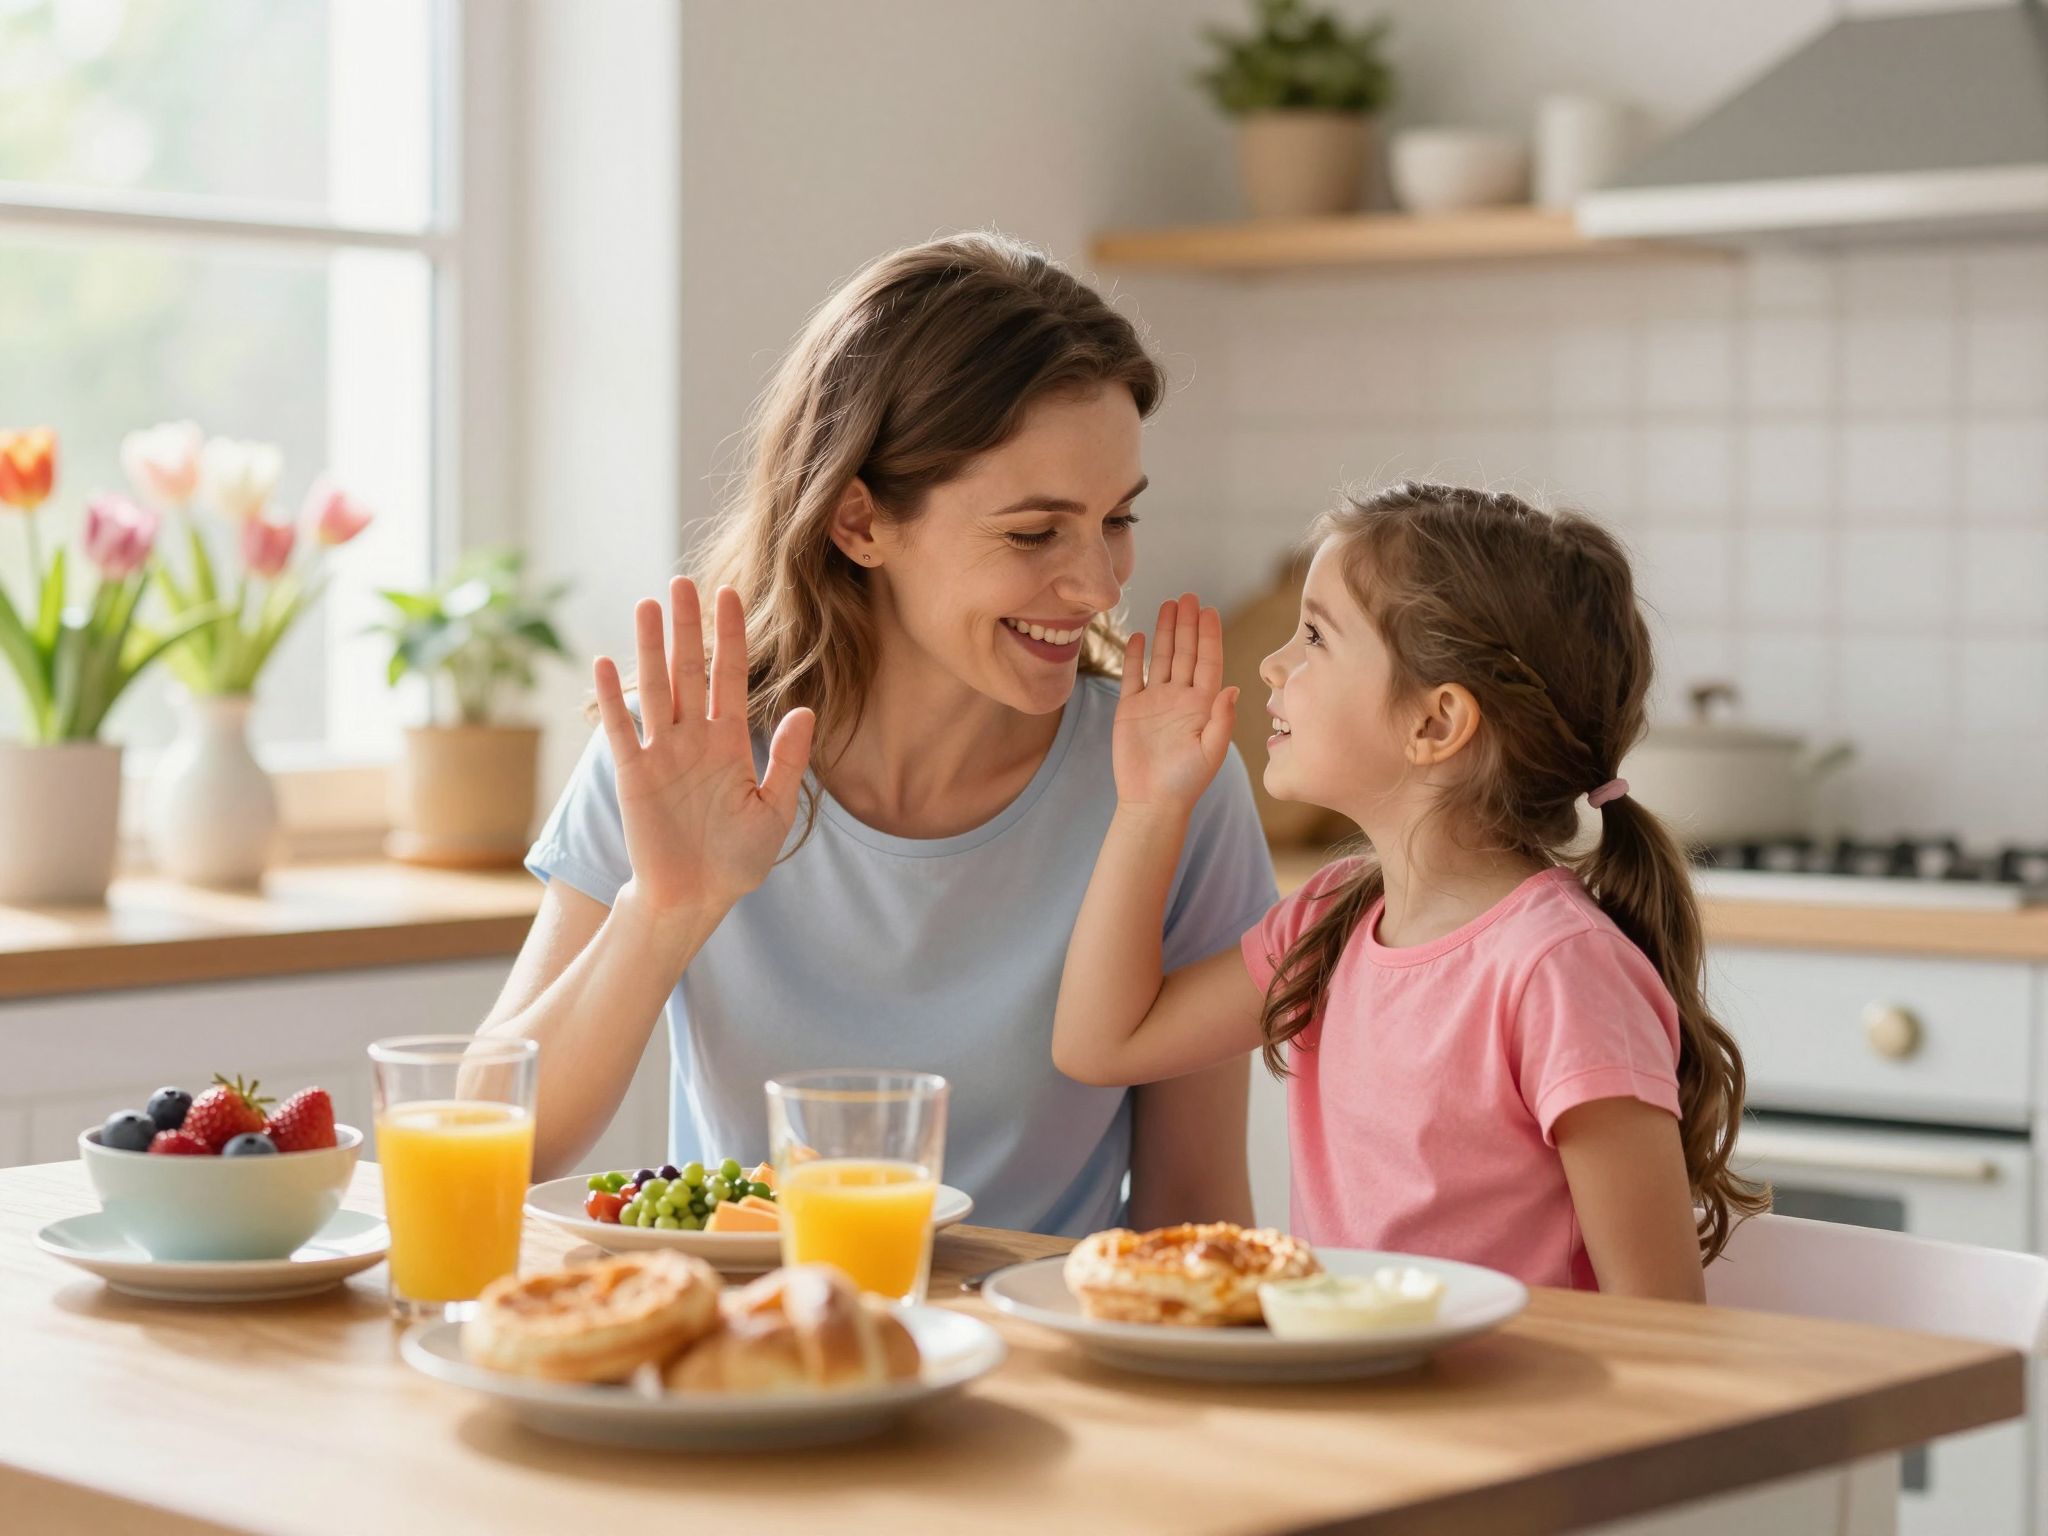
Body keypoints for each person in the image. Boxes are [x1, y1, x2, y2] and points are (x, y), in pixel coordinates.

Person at [481, 233, 1276, 1236]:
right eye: (1033, 532)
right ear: (859, 523)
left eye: (1116, 519)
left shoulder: (1169, 783)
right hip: (756, 1348)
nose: (1099, 582)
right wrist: (664, 910)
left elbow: (1196, 1211)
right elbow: (493, 1139)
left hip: (1046, 1363)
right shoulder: (683, 756)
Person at [1052, 481, 1766, 1296]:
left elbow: (1661, 1322)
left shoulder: (1558, 973)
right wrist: (1149, 806)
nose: (1274, 663)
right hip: (1359, 1407)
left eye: (1315, 636)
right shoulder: (1329, 922)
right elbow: (1098, 1046)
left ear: (1435, 723)